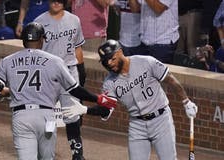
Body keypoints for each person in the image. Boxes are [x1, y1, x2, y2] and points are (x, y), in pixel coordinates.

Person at [0, 22, 116, 160]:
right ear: (41, 39)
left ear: (23, 40)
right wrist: (98, 98)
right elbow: (75, 90)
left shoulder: (7, 61)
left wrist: (5, 93)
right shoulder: (54, 61)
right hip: (46, 117)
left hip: (21, 118)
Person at [63, 39, 199, 160]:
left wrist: (186, 102)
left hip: (161, 120)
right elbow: (106, 110)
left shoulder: (146, 62)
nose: (109, 63)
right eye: (105, 61)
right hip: (137, 125)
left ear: (120, 52)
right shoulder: (110, 83)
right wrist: (85, 110)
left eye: (112, 58)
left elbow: (170, 80)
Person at [33, 1, 113, 159]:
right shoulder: (38, 22)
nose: (56, 3)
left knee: (73, 114)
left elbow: (77, 47)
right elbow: (34, 52)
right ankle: (44, 152)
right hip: (48, 74)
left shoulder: (74, 20)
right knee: (46, 115)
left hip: (70, 72)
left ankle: (78, 154)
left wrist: (81, 69)